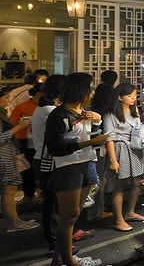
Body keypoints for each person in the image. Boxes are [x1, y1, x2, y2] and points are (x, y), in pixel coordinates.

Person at [45, 73, 108, 266]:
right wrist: (89, 142)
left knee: (73, 215)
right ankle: (68, 260)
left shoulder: (83, 111)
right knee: (69, 215)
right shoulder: (59, 115)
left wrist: (97, 120)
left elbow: (94, 137)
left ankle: (59, 259)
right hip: (68, 168)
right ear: (80, 91)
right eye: (90, 88)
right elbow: (56, 148)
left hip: (87, 163)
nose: (92, 92)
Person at [103, 83, 144, 232]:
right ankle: (119, 219)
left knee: (138, 181)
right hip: (120, 149)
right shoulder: (110, 114)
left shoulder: (135, 111)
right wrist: (113, 160)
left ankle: (130, 212)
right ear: (120, 97)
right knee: (119, 185)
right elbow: (109, 138)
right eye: (130, 96)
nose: (133, 98)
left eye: (135, 95)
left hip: (136, 148)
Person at [32, 75, 67, 256]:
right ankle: (54, 243)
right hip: (47, 160)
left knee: (54, 203)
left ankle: (58, 238)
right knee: (53, 204)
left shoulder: (46, 107)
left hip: (45, 159)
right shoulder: (49, 110)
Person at [0, 88, 39, 233]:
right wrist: (19, 127)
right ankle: (14, 222)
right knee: (8, 190)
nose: (8, 101)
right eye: (5, 98)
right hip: (3, 159)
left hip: (8, 156)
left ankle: (15, 220)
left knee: (8, 190)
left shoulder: (3, 114)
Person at [9, 82, 43, 203]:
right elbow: (11, 125)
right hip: (23, 140)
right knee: (27, 169)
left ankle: (39, 191)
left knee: (40, 168)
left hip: (40, 141)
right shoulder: (22, 107)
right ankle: (28, 194)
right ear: (39, 94)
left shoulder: (47, 107)